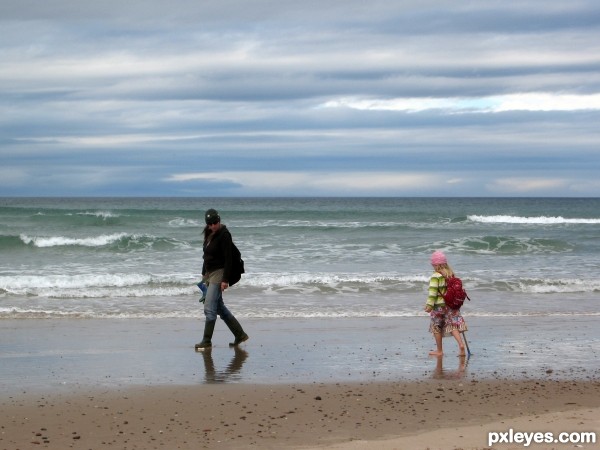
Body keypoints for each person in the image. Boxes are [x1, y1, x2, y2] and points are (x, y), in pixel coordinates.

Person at [195, 208, 249, 351]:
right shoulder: (209, 234)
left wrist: (225, 280)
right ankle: (240, 334)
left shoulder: (224, 235)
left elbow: (229, 259)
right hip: (209, 274)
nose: (213, 225)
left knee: (209, 307)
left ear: (219, 220)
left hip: (219, 274)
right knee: (219, 308)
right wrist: (203, 274)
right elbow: (206, 256)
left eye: (215, 222)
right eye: (210, 223)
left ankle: (206, 341)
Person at [424, 250, 467, 356]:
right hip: (450, 304)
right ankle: (461, 345)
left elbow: (433, 292)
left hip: (438, 306)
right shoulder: (450, 274)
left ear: (435, 264)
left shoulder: (436, 276)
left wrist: (429, 305)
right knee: (452, 325)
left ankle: (439, 351)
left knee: (436, 326)